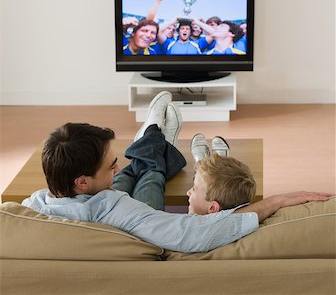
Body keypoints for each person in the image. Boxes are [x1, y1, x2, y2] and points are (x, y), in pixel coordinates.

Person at [22, 92, 332, 253]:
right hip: (139, 232)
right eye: (109, 164)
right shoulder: (121, 210)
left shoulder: (30, 207)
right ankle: (155, 147)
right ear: (82, 181)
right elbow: (192, 233)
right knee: (151, 176)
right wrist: (271, 202)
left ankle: (152, 142)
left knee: (127, 175)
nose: (115, 167)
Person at [187, 133, 256, 215]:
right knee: (205, 184)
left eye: (194, 189)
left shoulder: (191, 225)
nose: (188, 192)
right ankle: (216, 162)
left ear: (212, 208)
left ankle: (201, 162)